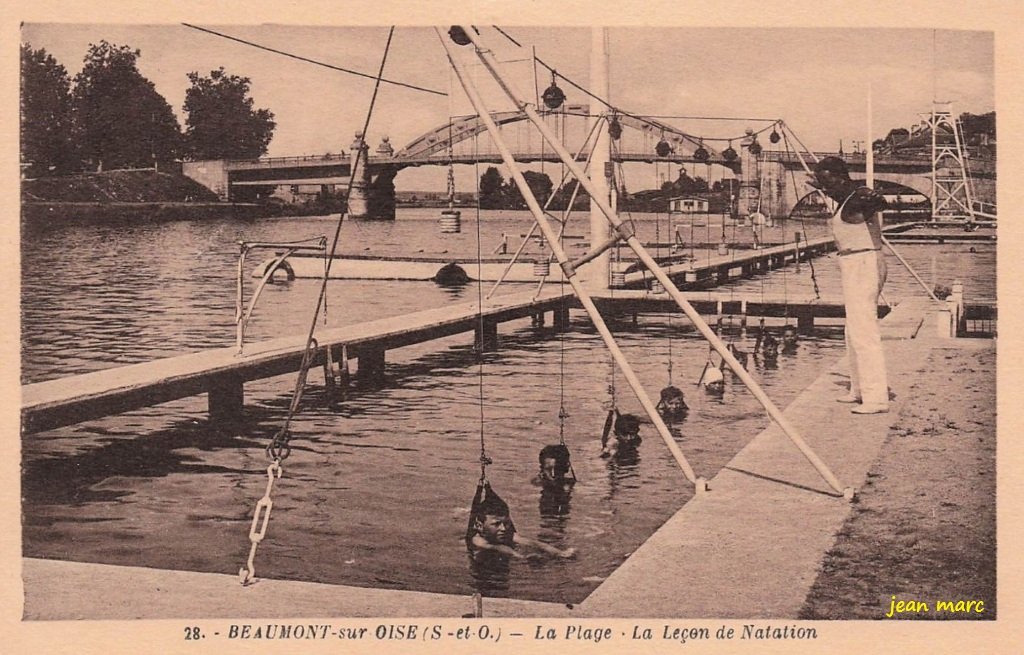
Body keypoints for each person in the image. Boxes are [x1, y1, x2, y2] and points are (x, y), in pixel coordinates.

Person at [811, 156, 889, 414]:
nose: (826, 188)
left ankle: (876, 398)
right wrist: (822, 186)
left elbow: (878, 201)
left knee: (864, 331)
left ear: (840, 177)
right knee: (851, 330)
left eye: (827, 182)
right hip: (853, 263)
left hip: (863, 262)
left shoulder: (858, 197)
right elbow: (839, 192)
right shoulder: (844, 198)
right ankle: (858, 388)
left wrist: (872, 195)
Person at [466, 482, 575, 559]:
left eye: (506, 523)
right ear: (480, 525)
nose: (503, 528)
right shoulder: (477, 540)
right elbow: (498, 548)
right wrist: (521, 557)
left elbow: (534, 543)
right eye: (496, 524)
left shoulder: (505, 534)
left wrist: (560, 553)